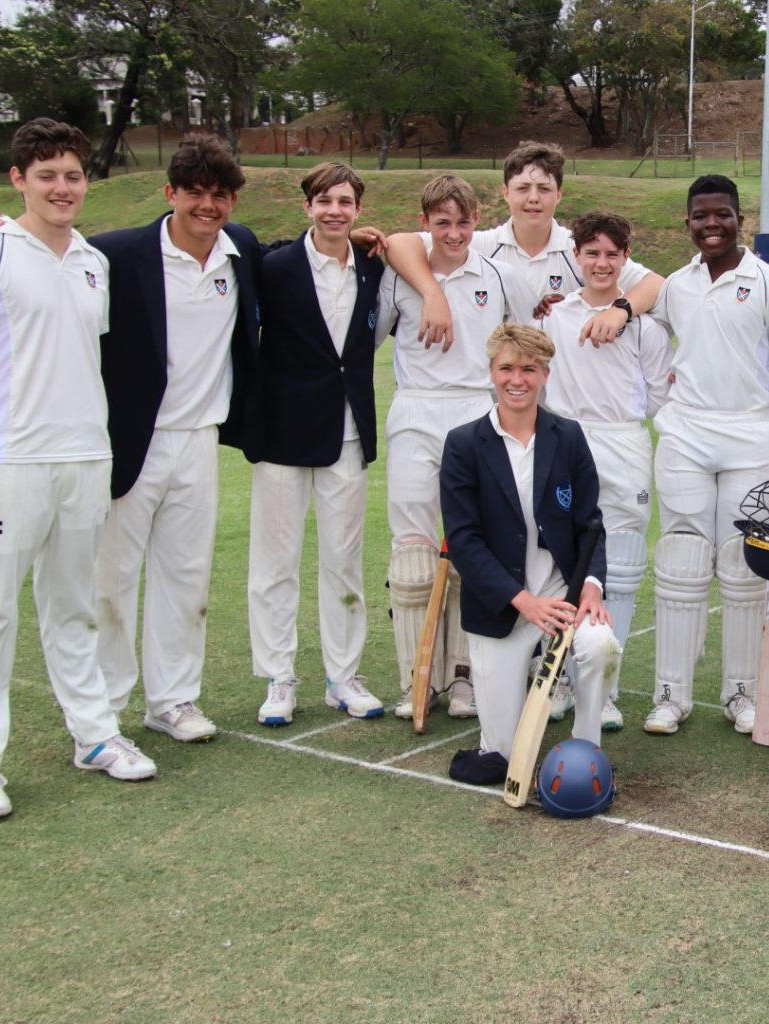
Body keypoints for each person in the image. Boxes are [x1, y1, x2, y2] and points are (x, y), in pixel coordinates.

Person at [0, 117, 156, 818]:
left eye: (74, 175)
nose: (62, 188)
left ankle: (93, 735)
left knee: (73, 606)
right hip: (5, 463)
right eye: (47, 175)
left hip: (84, 457)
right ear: (17, 179)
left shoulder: (91, 261)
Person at [88, 134, 266, 742]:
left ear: (233, 201)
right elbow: (53, 259)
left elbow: (300, 258)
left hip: (200, 439)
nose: (207, 206)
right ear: (170, 194)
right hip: (128, 441)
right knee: (111, 580)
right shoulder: (114, 254)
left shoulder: (238, 250)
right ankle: (104, 707)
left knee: (185, 577)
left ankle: (172, 700)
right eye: (195, 193)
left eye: (219, 195)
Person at [376, 176, 540, 722]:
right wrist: (431, 291)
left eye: (463, 222)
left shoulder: (498, 274)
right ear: (424, 222)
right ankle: (417, 679)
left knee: (476, 549)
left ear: (478, 221)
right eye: (441, 222)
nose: (453, 233)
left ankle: (470, 676)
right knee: (414, 557)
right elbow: (369, 335)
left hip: (477, 414)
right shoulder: (401, 272)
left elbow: (526, 341)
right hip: (417, 411)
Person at [643, 174, 769, 738]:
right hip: (685, 434)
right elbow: (643, 332)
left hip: (753, 434)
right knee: (682, 558)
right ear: (686, 222)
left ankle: (741, 693)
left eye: (723, 214)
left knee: (744, 562)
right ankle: (670, 695)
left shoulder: (768, 282)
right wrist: (663, 408)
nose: (712, 224)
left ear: (741, 218)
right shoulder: (673, 286)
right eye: (701, 216)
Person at [439, 324, 622, 770]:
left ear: (545, 374)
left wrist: (592, 587)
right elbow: (463, 541)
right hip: (504, 606)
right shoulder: (463, 444)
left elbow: (590, 524)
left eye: (528, 369)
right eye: (506, 368)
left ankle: (587, 752)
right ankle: (499, 744)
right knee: (501, 756)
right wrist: (523, 603)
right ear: (491, 371)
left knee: (600, 646)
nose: (516, 379)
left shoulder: (569, 436)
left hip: (563, 597)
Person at [247, 162, 388, 726]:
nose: (335, 210)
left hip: (348, 433)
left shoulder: (373, 269)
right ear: (307, 206)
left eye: (345, 202)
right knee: (275, 564)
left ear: (358, 209)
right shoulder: (274, 265)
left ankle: (343, 676)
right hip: (283, 432)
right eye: (324, 201)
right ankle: (279, 676)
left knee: (343, 561)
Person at [537, 211, 672, 730]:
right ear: (576, 257)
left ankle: (606, 688)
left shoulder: (645, 326)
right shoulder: (552, 317)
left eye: (611, 254)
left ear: (625, 257)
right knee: (563, 562)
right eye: (591, 253)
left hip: (624, 443)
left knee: (624, 565)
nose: (601, 262)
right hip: (568, 443)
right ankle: (563, 677)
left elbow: (659, 395)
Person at [382, 140, 663, 345]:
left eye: (544, 188)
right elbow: (398, 244)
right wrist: (433, 294)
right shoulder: (478, 244)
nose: (533, 198)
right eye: (522, 188)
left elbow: (655, 284)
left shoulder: (578, 251)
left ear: (559, 194)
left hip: (559, 396)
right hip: (498, 397)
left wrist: (619, 311)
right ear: (505, 192)